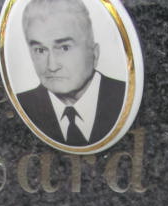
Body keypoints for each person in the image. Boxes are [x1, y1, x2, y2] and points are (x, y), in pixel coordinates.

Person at [16, 0, 126, 147]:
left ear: (94, 53)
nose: (52, 66)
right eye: (40, 50)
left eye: (64, 48)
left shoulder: (124, 96)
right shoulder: (21, 106)